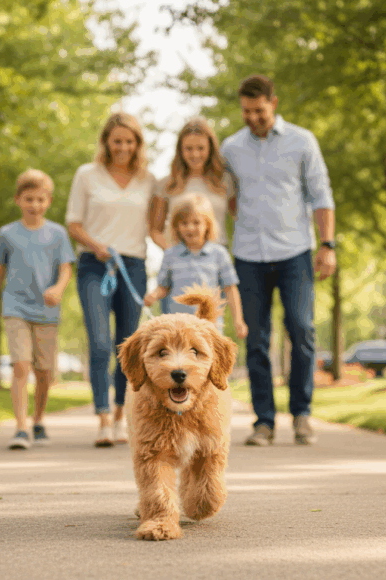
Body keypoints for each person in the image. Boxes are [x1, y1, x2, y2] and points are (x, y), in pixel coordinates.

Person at [221, 74, 336, 447]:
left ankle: (301, 415)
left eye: (259, 111)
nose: (252, 117)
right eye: (246, 111)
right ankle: (264, 421)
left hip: (294, 253)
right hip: (248, 256)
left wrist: (327, 245)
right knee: (255, 339)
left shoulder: (302, 141)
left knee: (302, 330)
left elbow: (321, 195)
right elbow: (226, 196)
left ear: (274, 102)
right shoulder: (231, 148)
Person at [66, 112, 157, 447]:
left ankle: (122, 417)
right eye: (117, 140)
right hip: (95, 264)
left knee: (128, 347)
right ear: (106, 141)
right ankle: (103, 418)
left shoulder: (148, 179)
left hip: (133, 265)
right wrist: (95, 245)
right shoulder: (87, 175)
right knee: (101, 342)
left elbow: (156, 226)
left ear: (137, 144)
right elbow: (74, 223)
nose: (122, 147)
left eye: (129, 141)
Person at [0, 169, 75, 450]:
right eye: (28, 199)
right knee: (21, 365)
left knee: (44, 372)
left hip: (46, 312)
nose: (34, 205)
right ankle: (21, 427)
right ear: (18, 200)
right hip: (16, 308)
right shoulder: (7, 234)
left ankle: (38, 419)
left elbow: (66, 269)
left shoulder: (58, 234)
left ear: (48, 201)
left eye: (40, 199)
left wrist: (58, 289)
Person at [144, 194, 248, 339]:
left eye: (196, 222)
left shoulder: (219, 254)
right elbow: (163, 286)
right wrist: (153, 296)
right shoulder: (170, 255)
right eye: (184, 223)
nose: (190, 228)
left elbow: (230, 289)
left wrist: (238, 320)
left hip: (210, 325)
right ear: (177, 226)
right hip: (178, 325)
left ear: (207, 225)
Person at [148, 117, 234, 256]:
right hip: (180, 262)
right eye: (188, 149)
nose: (195, 154)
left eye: (201, 148)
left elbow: (239, 220)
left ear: (210, 149)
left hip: (216, 260)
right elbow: (155, 231)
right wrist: (174, 253)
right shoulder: (167, 184)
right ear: (180, 150)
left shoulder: (224, 182)